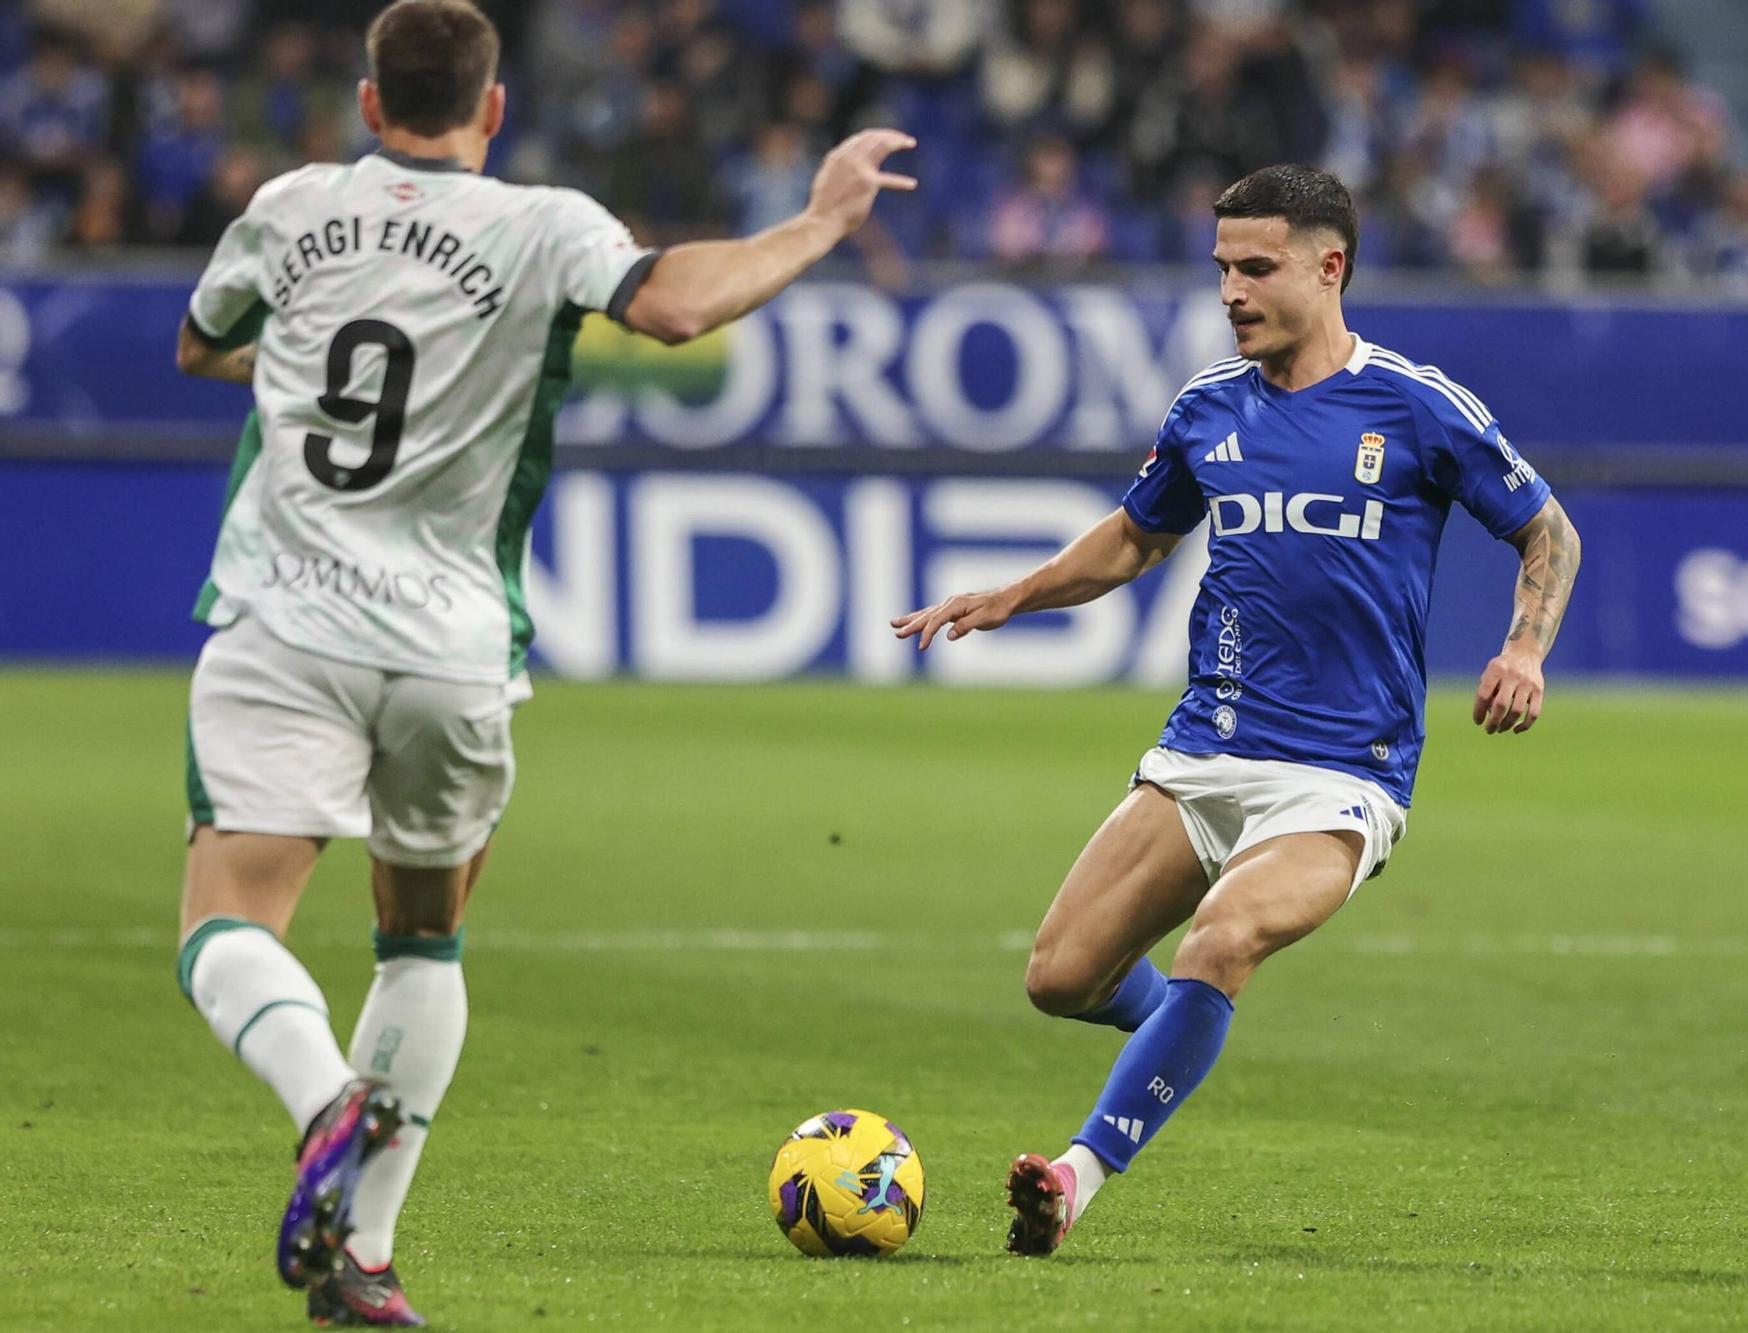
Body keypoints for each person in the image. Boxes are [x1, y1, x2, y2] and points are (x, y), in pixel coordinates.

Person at [172, 1, 914, 1322]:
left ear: (365, 101)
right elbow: (679, 308)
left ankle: (323, 1098)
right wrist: (823, 220)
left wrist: (295, 366)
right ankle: (367, 1259)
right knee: (425, 941)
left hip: (287, 622)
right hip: (455, 645)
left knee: (227, 918)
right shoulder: (545, 223)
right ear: (494, 108)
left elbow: (199, 341)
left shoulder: (289, 207)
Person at [894, 163, 1581, 1256]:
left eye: (1255, 267)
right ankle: (1177, 1029)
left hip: (1342, 774)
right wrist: (1014, 593)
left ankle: (1074, 1175)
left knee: (1223, 936)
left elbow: (1547, 531)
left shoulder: (1413, 405)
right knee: (1060, 977)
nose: (1231, 291)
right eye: (1221, 268)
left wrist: (1522, 648)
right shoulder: (1206, 409)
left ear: (1328, 265)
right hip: (1205, 751)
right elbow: (1134, 537)